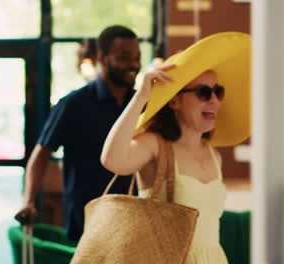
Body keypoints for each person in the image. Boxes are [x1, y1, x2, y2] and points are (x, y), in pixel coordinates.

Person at [101, 32, 250, 263]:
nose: (214, 100)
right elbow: (112, 160)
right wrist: (141, 97)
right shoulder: (155, 145)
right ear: (174, 100)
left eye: (217, 91)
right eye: (203, 92)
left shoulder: (214, 155)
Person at [16, 25, 142, 241]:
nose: (133, 64)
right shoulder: (73, 104)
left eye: (137, 57)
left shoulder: (142, 104)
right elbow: (41, 154)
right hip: (87, 222)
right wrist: (28, 201)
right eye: (125, 57)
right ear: (102, 57)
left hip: (134, 221)